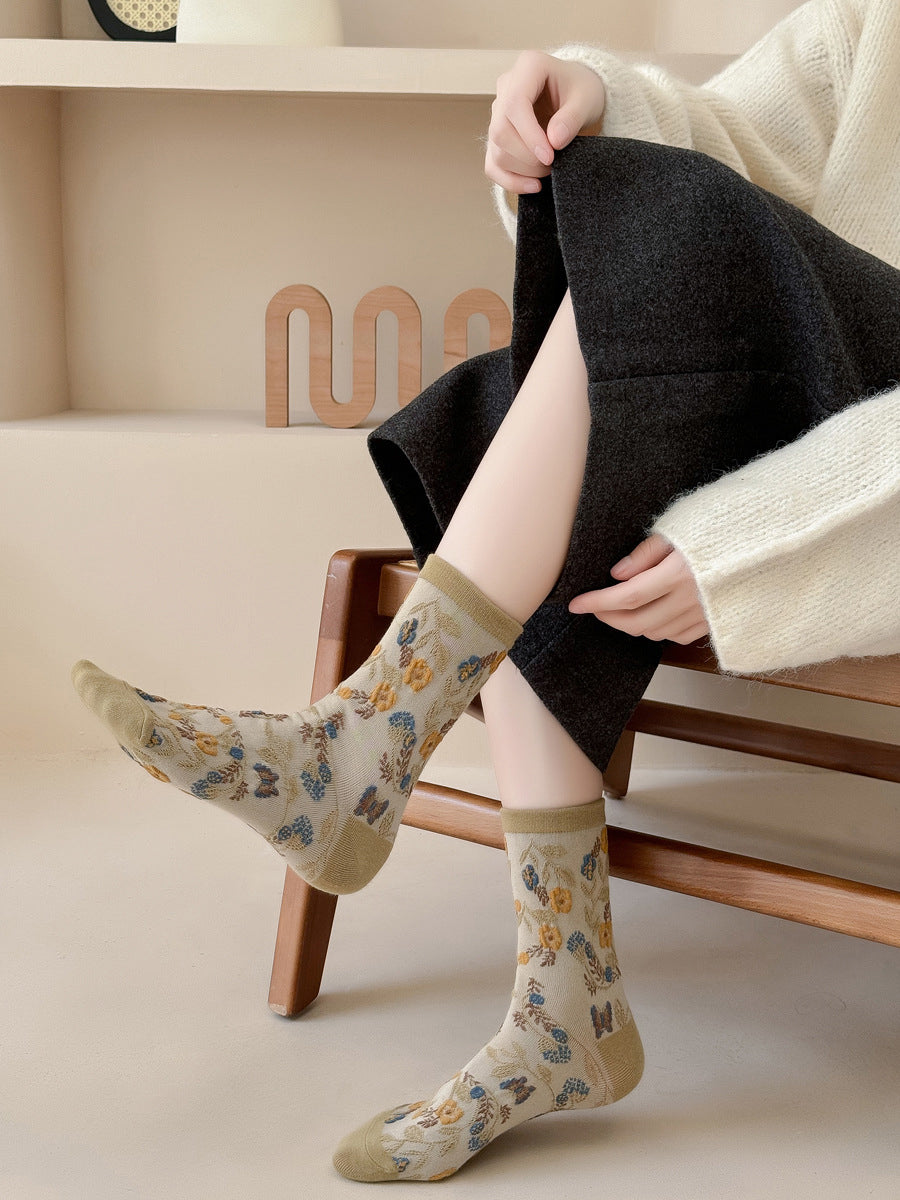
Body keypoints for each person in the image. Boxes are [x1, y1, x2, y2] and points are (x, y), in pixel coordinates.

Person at [71, 0, 900, 1184]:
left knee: (675, 229)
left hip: (877, 495)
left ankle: (361, 748)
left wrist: (771, 537)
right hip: (814, 389)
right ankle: (565, 998)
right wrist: (596, 104)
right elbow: (736, 139)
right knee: (500, 406)